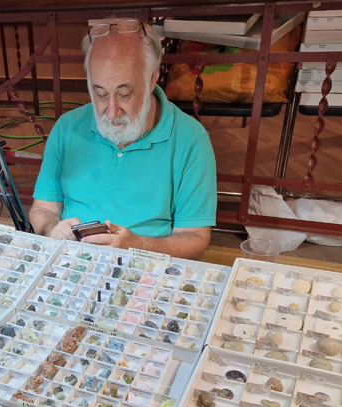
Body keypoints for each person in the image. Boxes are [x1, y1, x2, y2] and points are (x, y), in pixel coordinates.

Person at [29, 19, 217, 260]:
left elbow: (195, 238)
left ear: (152, 79)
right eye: (100, 94)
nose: (111, 112)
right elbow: (43, 209)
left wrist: (135, 246)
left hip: (145, 267)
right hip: (72, 260)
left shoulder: (191, 139)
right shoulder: (67, 127)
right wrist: (52, 232)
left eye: (125, 94)